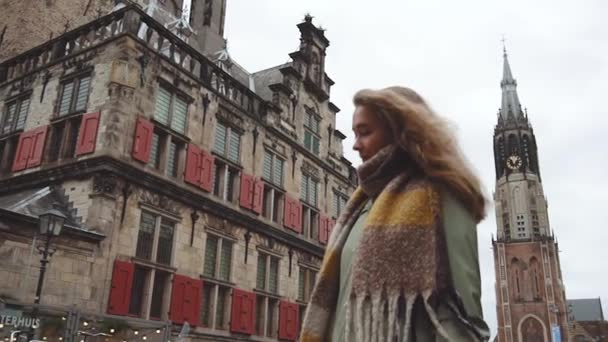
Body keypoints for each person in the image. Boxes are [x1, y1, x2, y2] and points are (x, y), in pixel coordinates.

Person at [299, 86, 490, 341]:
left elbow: (462, 320)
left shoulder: (442, 196)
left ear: (401, 131)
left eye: (365, 132)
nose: (355, 145)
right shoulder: (360, 205)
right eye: (355, 134)